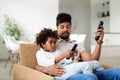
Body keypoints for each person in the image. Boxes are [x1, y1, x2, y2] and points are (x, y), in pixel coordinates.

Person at [35, 12, 120, 80]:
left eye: (68, 27)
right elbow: (38, 65)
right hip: (69, 75)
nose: (65, 29)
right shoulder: (52, 43)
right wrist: (46, 70)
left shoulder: (77, 45)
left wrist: (99, 42)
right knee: (90, 78)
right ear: (57, 28)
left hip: (85, 71)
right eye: (62, 27)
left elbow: (92, 60)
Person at [35, 28, 104, 80]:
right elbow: (47, 64)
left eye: (54, 42)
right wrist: (63, 55)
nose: (53, 44)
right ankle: (90, 77)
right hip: (59, 73)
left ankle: (100, 73)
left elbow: (66, 61)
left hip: (67, 67)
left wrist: (72, 56)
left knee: (95, 63)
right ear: (43, 44)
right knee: (86, 66)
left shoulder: (57, 51)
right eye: (50, 42)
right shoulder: (40, 53)